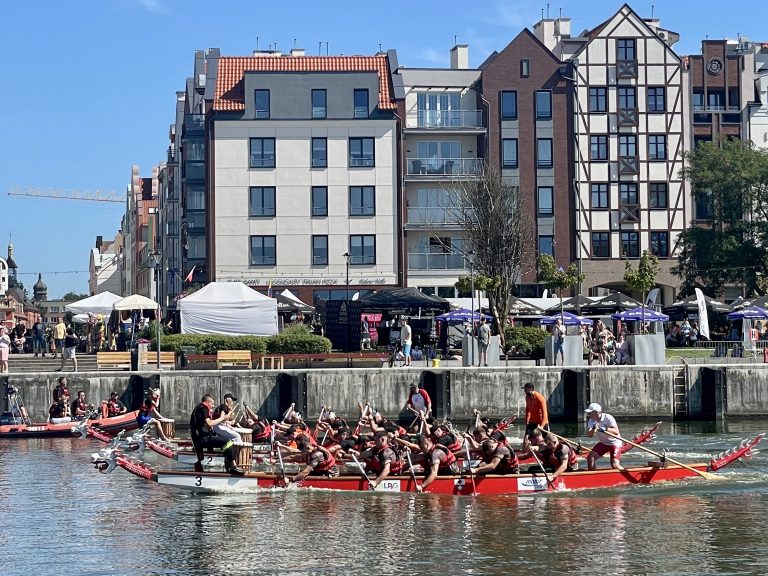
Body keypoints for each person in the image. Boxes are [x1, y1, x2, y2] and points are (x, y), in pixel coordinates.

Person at [189, 394, 244, 475]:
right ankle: (233, 466)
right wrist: (223, 418)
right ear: (207, 402)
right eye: (212, 404)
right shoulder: (203, 408)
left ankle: (228, 465)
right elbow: (209, 424)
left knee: (224, 442)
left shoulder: (198, 408)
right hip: (202, 439)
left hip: (199, 438)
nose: (213, 406)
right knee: (228, 442)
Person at [584, 403, 624, 471]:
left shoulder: (608, 418)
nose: (589, 414)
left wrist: (605, 429)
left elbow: (616, 431)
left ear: (596, 412)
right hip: (604, 443)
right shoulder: (591, 420)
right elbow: (590, 435)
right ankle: (594, 478)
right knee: (590, 458)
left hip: (614, 443)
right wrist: (594, 429)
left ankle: (624, 475)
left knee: (614, 464)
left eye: (590, 412)